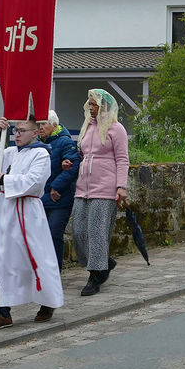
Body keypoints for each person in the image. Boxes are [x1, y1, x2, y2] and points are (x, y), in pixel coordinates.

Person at [0, 117, 65, 330]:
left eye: (23, 131)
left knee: (37, 259)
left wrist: (5, 179)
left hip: (28, 213)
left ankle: (48, 301)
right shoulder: (9, 153)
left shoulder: (41, 153)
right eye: (16, 130)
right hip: (6, 212)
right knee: (1, 258)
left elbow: (34, 181)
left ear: (35, 133)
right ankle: (1, 312)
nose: (17, 134)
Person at [73, 89, 129, 294]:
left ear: (104, 106)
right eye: (89, 104)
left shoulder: (116, 129)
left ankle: (95, 276)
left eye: (94, 104)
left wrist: (121, 186)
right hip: (83, 188)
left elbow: (122, 159)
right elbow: (83, 154)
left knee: (96, 234)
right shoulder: (87, 127)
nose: (91, 108)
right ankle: (103, 261)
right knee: (78, 232)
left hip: (105, 188)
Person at [38, 110, 80, 270]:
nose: (41, 127)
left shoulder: (64, 142)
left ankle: (54, 270)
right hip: (41, 198)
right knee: (40, 236)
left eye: (44, 124)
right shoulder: (37, 142)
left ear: (55, 125)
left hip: (59, 199)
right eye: (39, 124)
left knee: (54, 233)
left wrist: (56, 186)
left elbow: (73, 166)